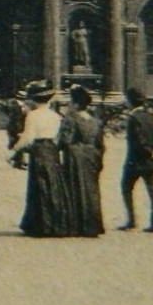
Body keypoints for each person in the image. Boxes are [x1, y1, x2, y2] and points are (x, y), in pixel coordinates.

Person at [9, 81, 73, 237]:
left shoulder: (32, 115)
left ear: (34, 100)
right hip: (52, 150)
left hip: (39, 150)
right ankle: (57, 224)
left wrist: (14, 151)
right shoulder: (56, 116)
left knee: (39, 185)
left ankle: (40, 224)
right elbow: (59, 137)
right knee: (53, 183)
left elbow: (28, 137)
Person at [58, 84, 105, 237]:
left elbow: (65, 140)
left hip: (75, 156)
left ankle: (77, 225)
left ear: (76, 104)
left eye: (71, 102)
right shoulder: (95, 120)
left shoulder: (71, 119)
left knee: (75, 187)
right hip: (92, 155)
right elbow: (100, 143)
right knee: (91, 189)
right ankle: (93, 225)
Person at [119, 87, 153, 233]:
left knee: (126, 187)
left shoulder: (133, 118)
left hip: (135, 161)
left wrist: (150, 151)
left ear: (130, 102)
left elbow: (137, 142)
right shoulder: (152, 117)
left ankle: (131, 220)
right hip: (151, 162)